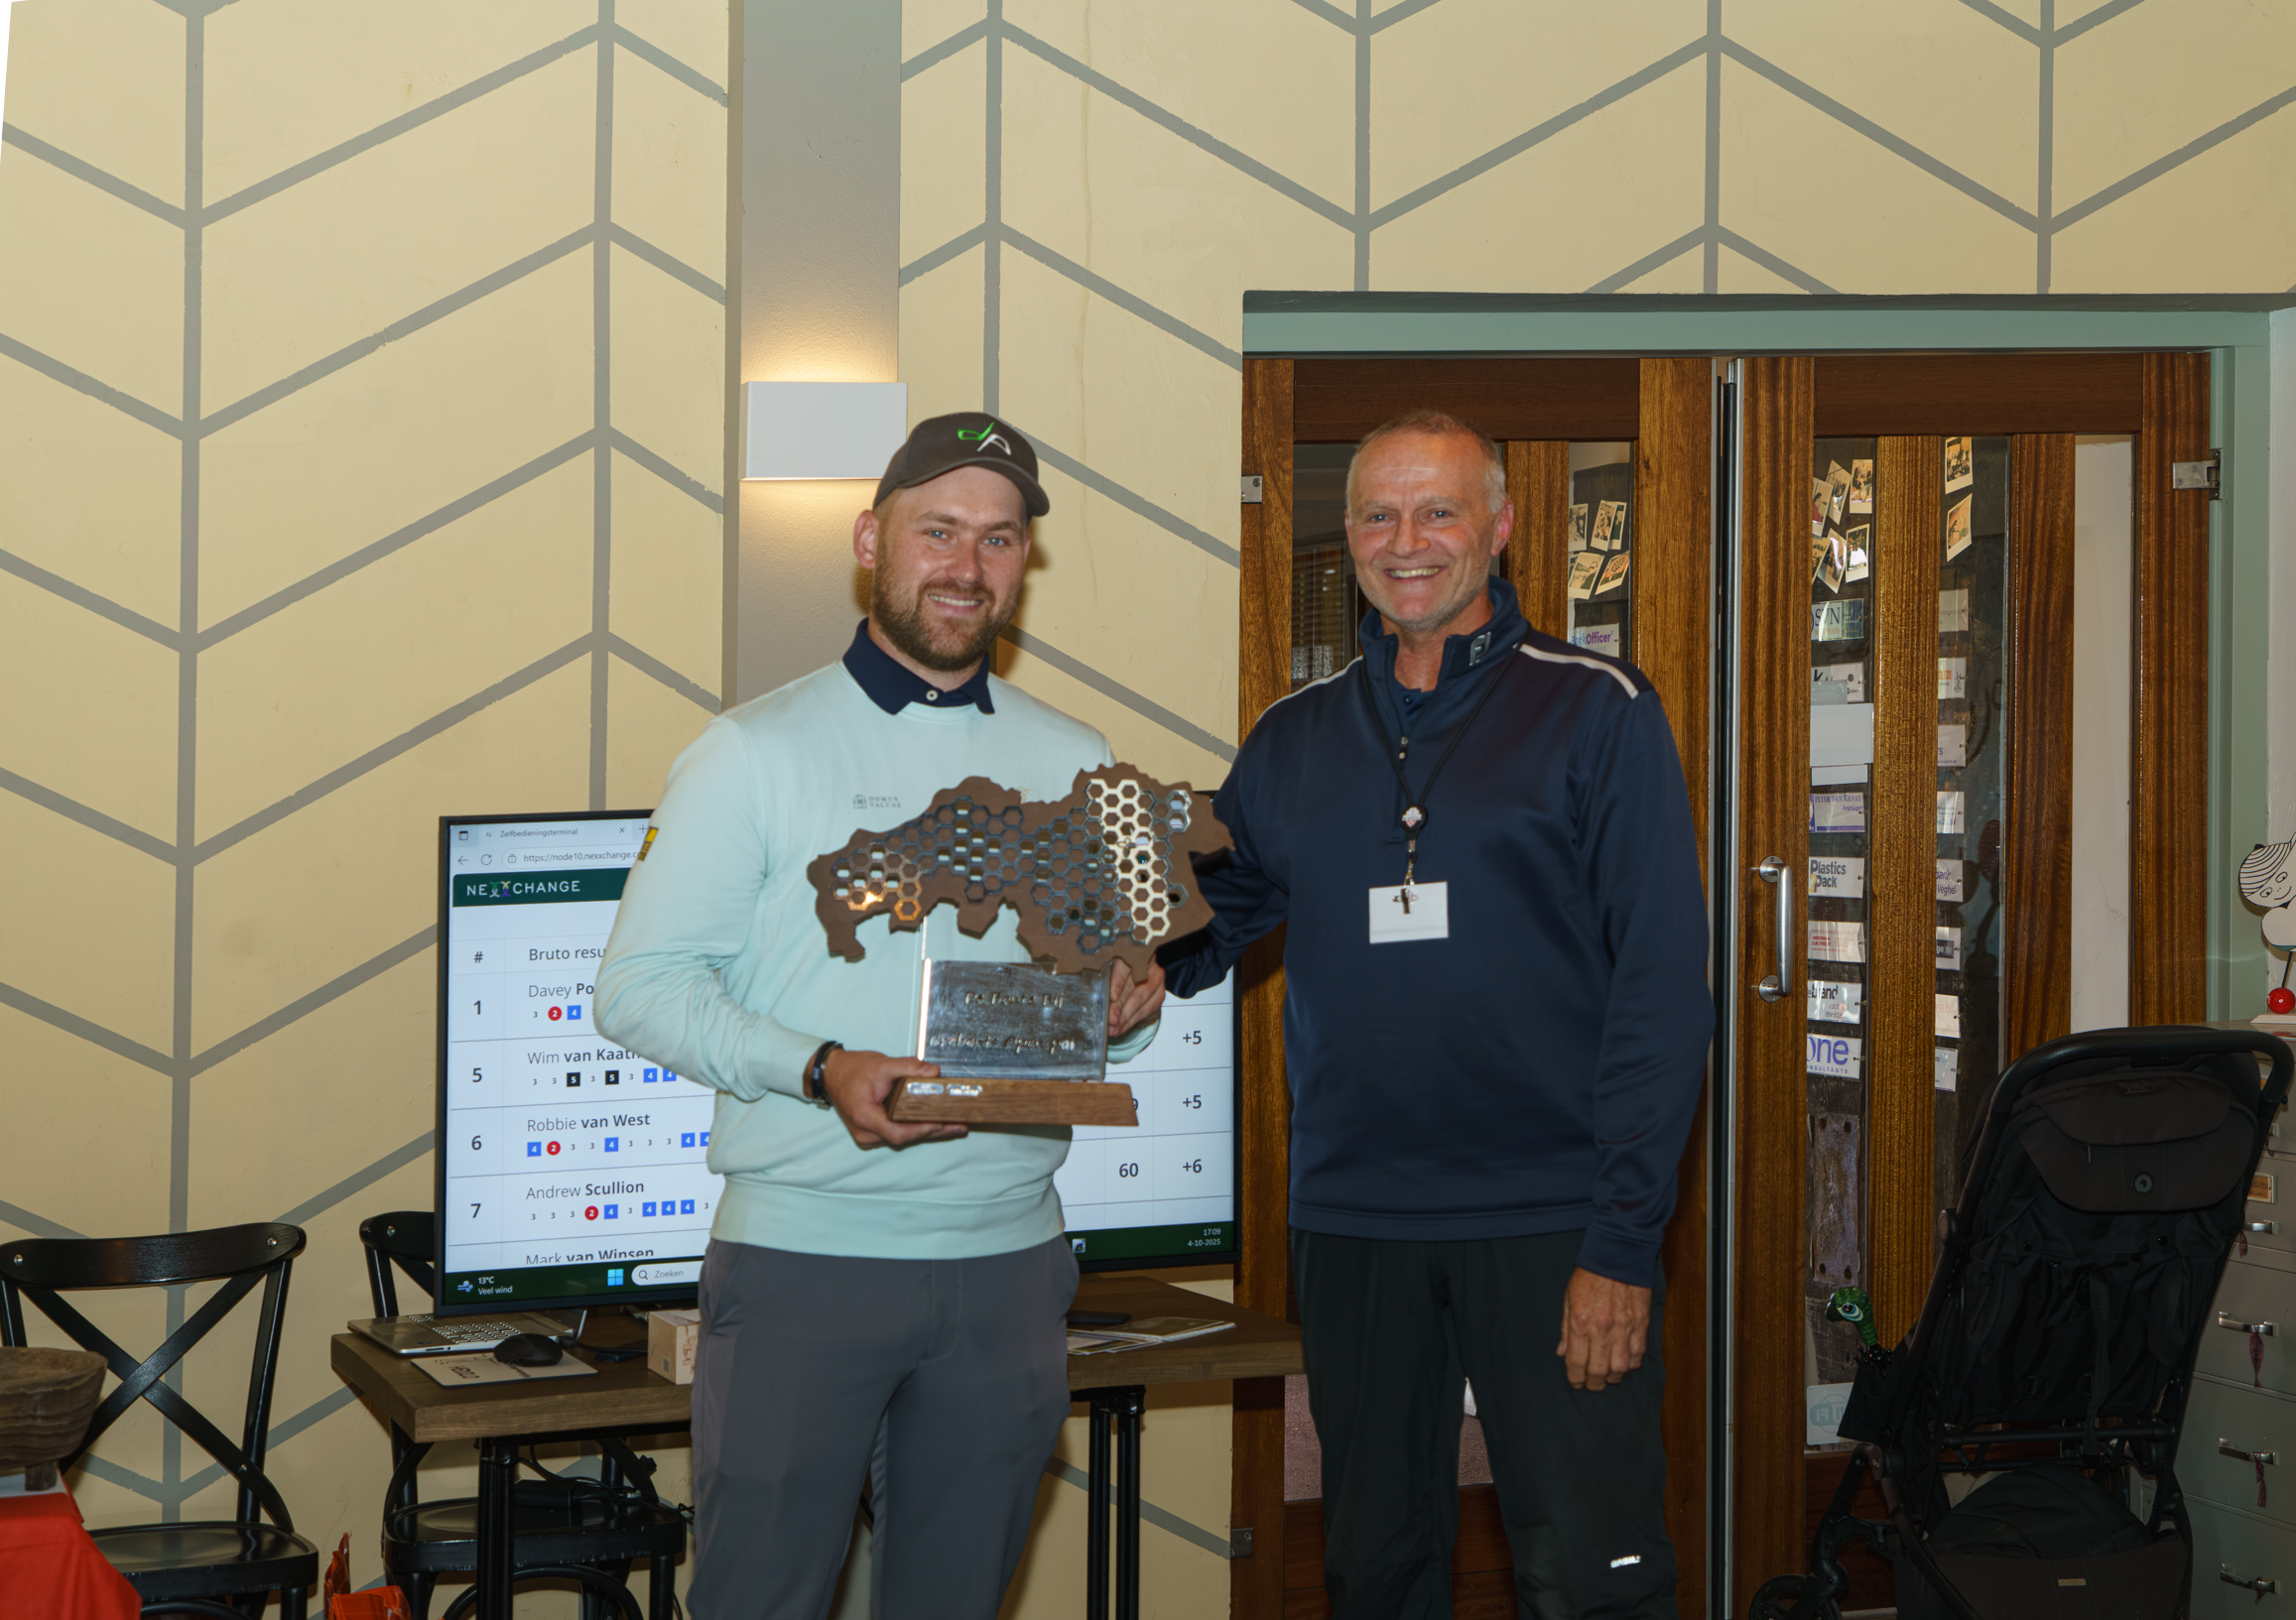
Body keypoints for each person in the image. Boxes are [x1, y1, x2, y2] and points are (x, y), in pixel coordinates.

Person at [595, 412, 1166, 1620]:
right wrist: (820, 1067)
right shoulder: (748, 752)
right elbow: (637, 989)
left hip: (1012, 1269)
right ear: (870, 542)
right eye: (937, 530)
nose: (967, 565)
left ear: (1022, 562)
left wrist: (1129, 1000)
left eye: (997, 538)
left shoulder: (1085, 758)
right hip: (806, 1264)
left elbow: (1124, 1015)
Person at [1161, 410, 1712, 1619]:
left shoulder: (1598, 709)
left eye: (1437, 511)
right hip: (1355, 1223)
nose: (1404, 541)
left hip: (1554, 1221)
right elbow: (1209, 915)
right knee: (1375, 1570)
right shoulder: (1292, 737)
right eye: (1377, 514)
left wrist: (1622, 1244)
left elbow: (1664, 990)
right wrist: (1115, 959)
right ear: (1348, 532)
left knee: (1592, 1573)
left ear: (1499, 527)